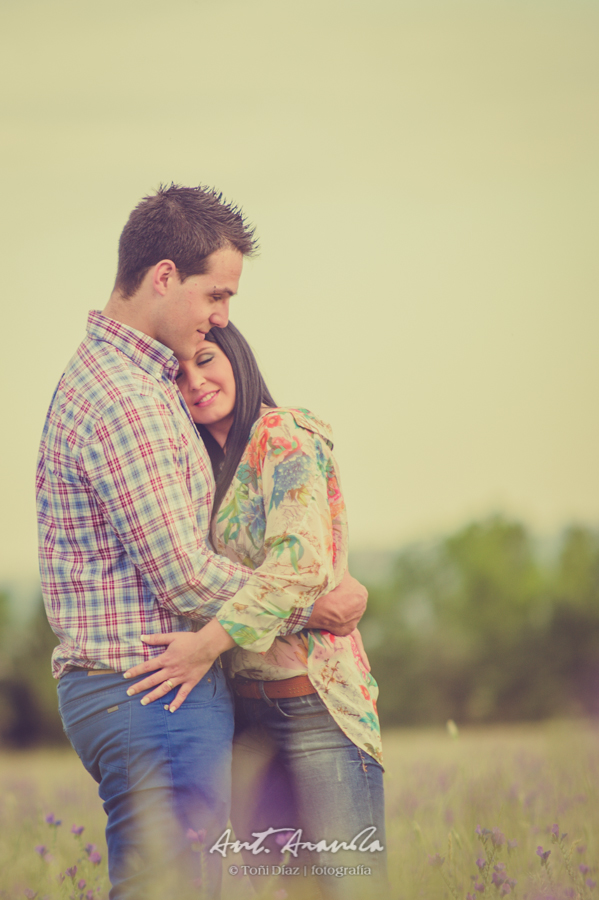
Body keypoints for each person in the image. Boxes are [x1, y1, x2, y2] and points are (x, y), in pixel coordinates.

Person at [36, 184, 367, 900]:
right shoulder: (128, 399)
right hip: (153, 690)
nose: (222, 317)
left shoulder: (129, 381)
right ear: (163, 277)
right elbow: (186, 577)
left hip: (150, 690)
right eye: (216, 295)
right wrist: (310, 606)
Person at [123, 322, 386, 899]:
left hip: (316, 705)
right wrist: (308, 608)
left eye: (206, 359)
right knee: (277, 890)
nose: (196, 382)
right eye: (179, 375)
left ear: (237, 355)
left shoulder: (282, 435)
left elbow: (297, 567)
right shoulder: (196, 468)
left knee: (348, 889)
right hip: (243, 718)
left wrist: (206, 646)